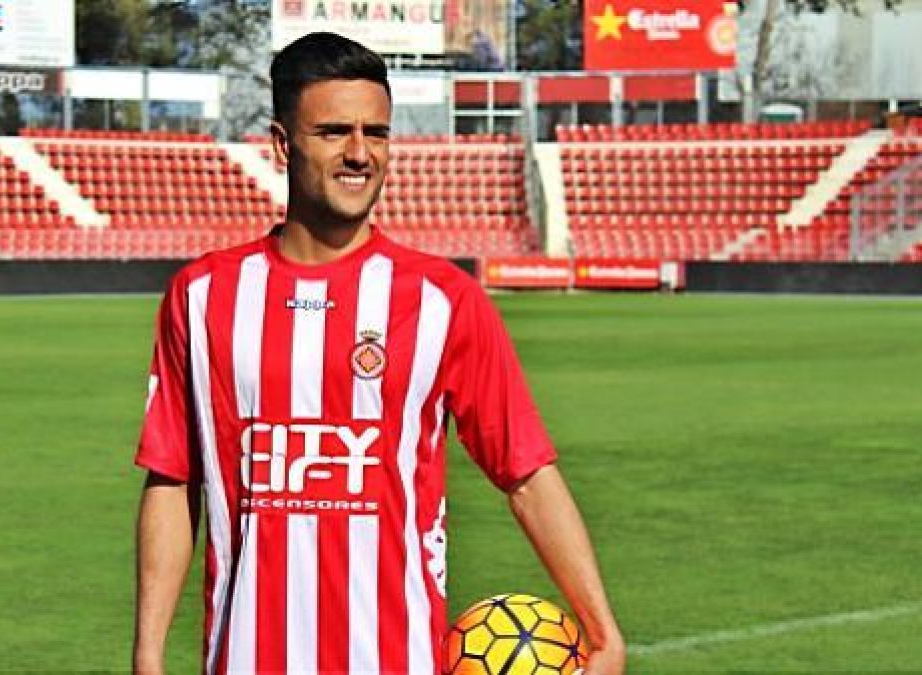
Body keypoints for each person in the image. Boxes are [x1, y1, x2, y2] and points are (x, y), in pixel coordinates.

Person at [132, 32, 625, 675]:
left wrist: (602, 630)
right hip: (246, 658)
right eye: (334, 131)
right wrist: (147, 653)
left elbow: (527, 472)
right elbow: (173, 479)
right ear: (283, 144)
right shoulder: (201, 298)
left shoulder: (445, 301)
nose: (360, 154)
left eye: (378, 132)